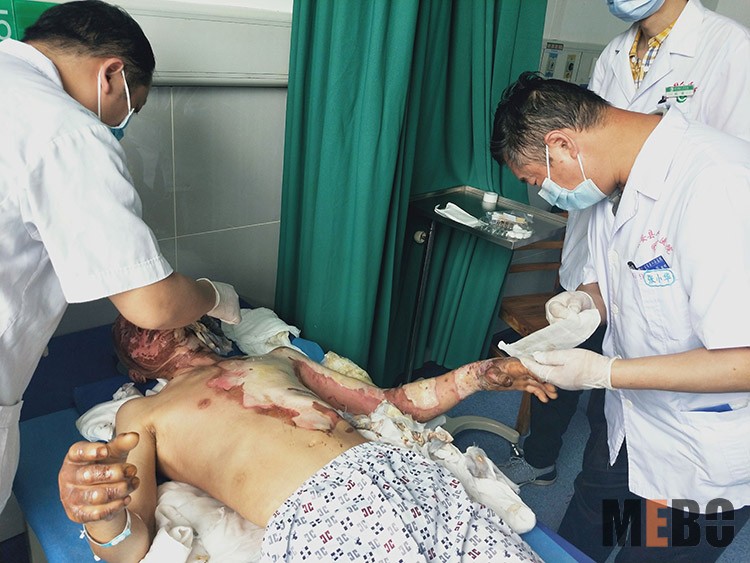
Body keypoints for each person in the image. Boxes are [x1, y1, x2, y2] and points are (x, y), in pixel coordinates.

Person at [490, 71, 750, 561]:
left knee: (653, 552)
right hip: (630, 420)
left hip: (702, 447)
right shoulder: (616, 184)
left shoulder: (720, 185)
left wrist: (605, 372)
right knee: (584, 528)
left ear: (561, 144)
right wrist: (588, 301)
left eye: (537, 180)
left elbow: (744, 359)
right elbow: (643, 279)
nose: (545, 193)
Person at [0, 1, 241, 513]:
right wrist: (213, 296)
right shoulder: (66, 128)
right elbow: (153, 305)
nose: (121, 123)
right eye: (133, 107)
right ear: (111, 75)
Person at [58, 316, 555, 562]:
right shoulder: (142, 411)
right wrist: (102, 518)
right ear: (134, 370)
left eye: (156, 314)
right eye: (133, 331)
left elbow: (393, 403)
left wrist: (478, 375)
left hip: (407, 477)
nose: (147, 323)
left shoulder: (277, 359)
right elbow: (131, 543)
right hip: (319, 514)